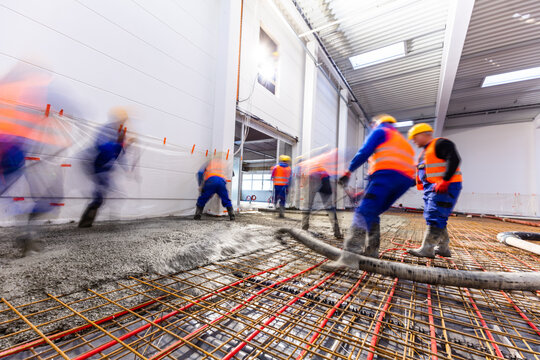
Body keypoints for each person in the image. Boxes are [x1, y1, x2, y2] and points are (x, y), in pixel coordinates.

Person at [322, 114, 415, 271]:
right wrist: (364, 193)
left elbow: (364, 152)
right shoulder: (401, 140)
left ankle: (349, 258)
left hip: (386, 176)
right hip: (404, 182)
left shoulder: (381, 131)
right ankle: (372, 253)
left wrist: (348, 171)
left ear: (376, 124)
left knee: (362, 213)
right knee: (372, 213)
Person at [407, 123, 462, 258]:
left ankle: (427, 249)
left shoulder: (440, 144)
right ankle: (443, 248)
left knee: (434, 216)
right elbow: (421, 175)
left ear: (425, 134)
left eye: (415, 137)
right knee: (437, 217)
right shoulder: (424, 154)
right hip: (431, 189)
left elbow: (454, 159)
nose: (413, 141)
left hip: (444, 187)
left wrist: (445, 180)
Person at [78, 108, 129, 228]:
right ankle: (86, 222)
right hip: (96, 165)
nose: (123, 122)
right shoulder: (107, 129)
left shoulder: (121, 134)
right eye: (122, 119)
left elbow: (120, 154)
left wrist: (126, 168)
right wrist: (117, 144)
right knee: (101, 195)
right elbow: (100, 145)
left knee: (110, 193)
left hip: (105, 168)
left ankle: (104, 219)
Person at [299, 150, 343, 239]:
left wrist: (304, 187)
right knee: (330, 206)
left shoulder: (308, 163)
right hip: (324, 178)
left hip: (312, 179)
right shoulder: (323, 161)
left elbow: (303, 177)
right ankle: (337, 232)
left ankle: (304, 228)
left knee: (307, 205)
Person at [194, 154, 235, 221]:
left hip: (211, 181)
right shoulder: (224, 164)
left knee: (203, 198)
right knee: (226, 199)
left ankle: (198, 215)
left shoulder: (209, 163)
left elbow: (200, 173)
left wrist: (200, 185)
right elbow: (231, 174)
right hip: (222, 182)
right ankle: (232, 215)